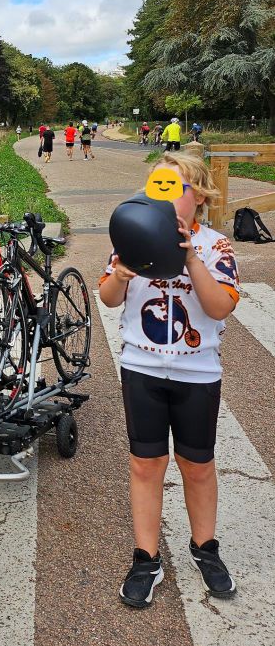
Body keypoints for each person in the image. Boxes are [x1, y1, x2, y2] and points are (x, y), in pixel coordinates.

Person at [99, 152, 239, 607]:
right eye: (156, 186)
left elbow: (220, 307)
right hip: (142, 367)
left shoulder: (216, 246)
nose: (162, 196)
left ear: (198, 196)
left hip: (197, 371)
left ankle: (206, 549)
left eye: (173, 187)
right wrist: (120, 272)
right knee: (145, 464)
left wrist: (189, 258)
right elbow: (108, 297)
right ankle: (146, 557)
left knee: (197, 466)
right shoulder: (132, 238)